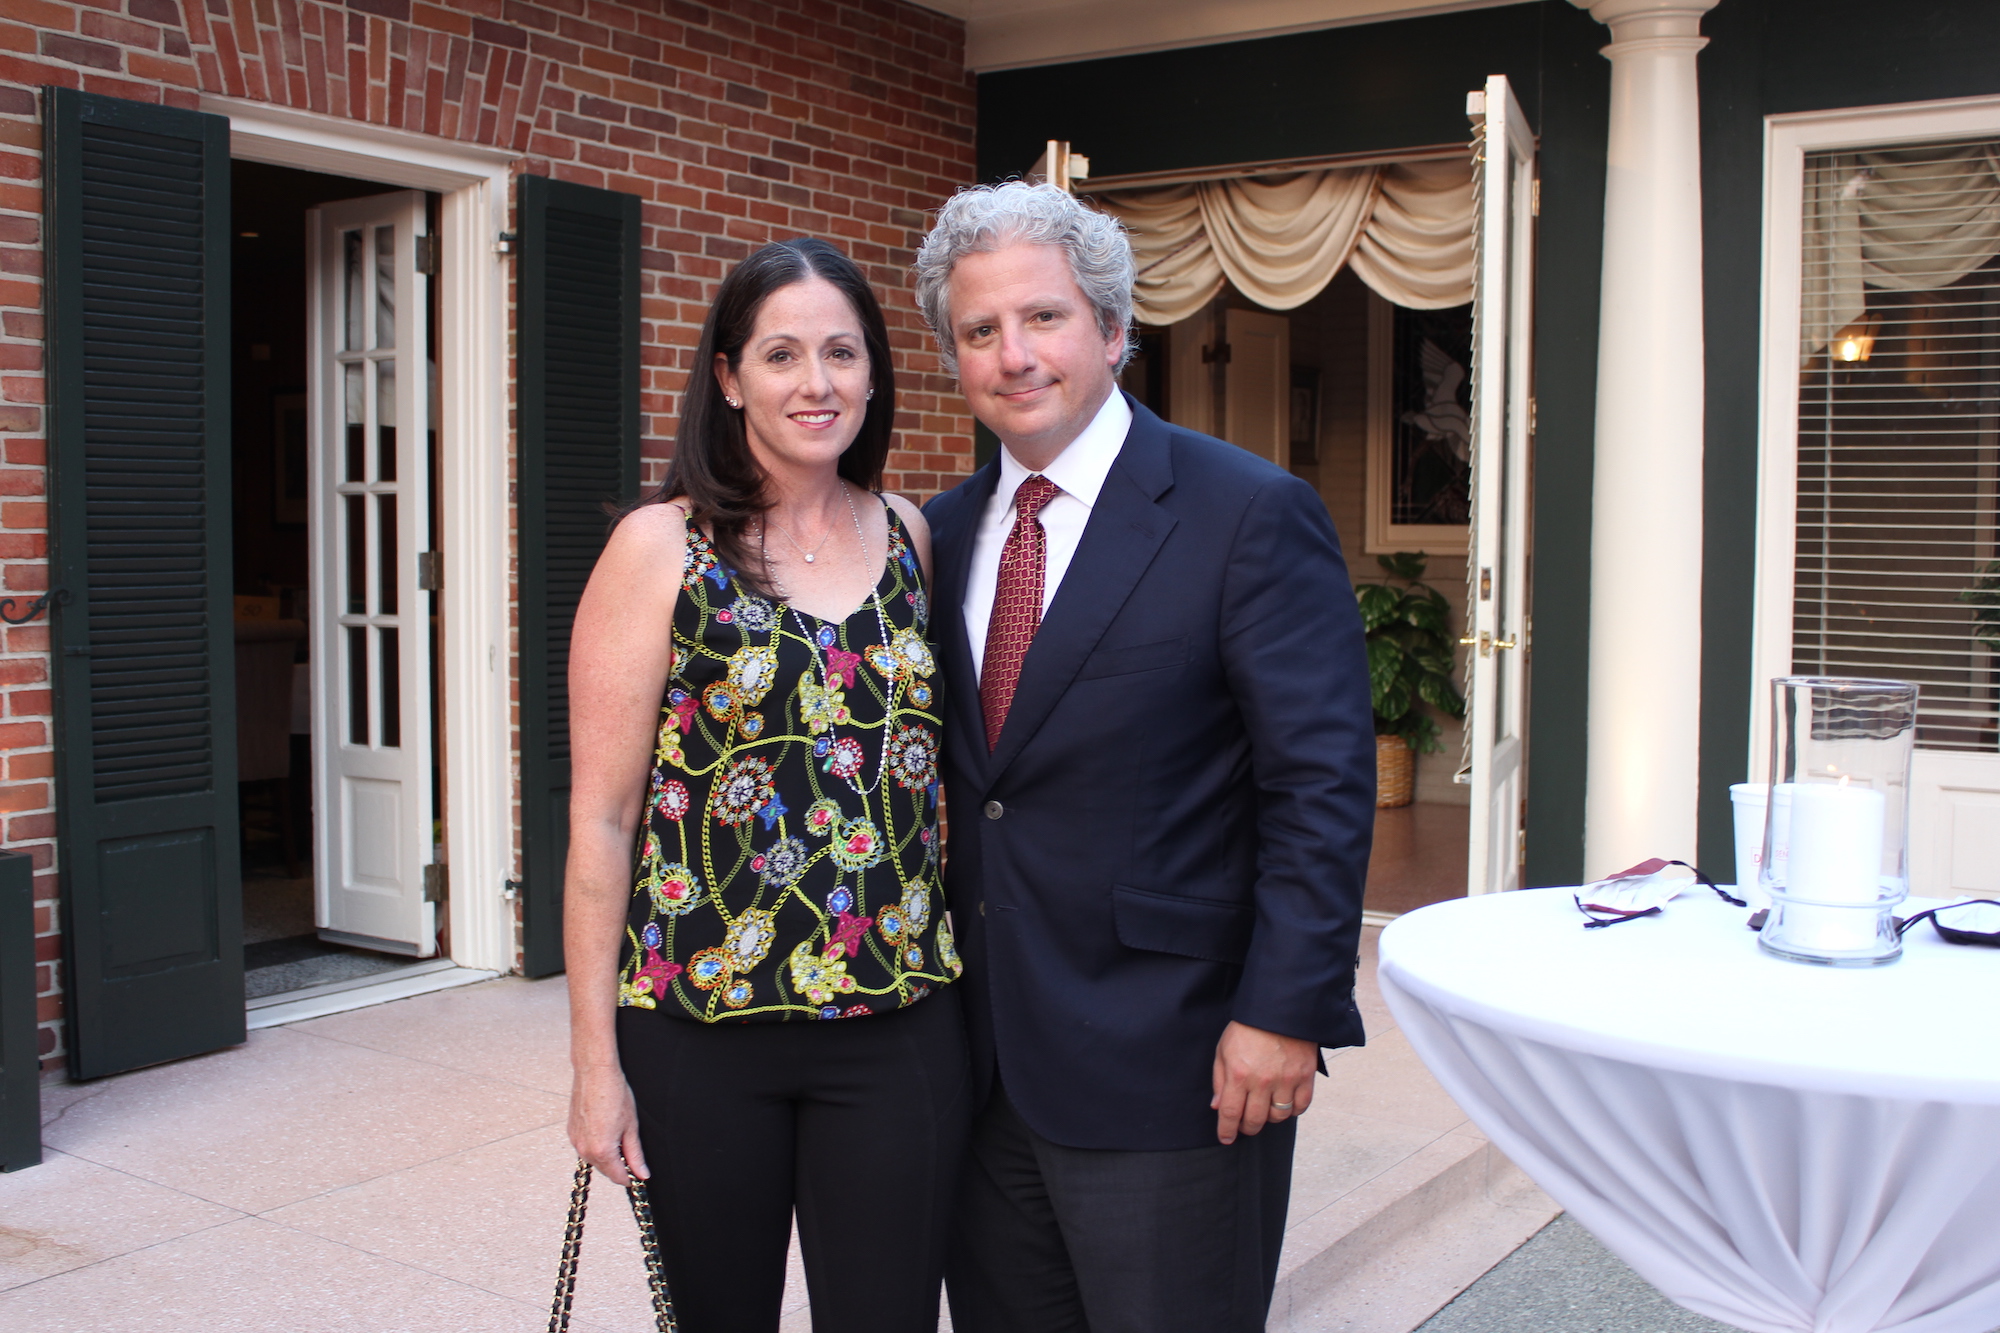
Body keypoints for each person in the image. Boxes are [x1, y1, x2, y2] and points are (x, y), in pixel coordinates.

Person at [914, 181, 1376, 1332]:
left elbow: (1317, 786)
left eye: (1043, 317)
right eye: (979, 330)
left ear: (1113, 329)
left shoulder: (1246, 513)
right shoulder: (934, 534)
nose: (1013, 355)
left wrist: (1284, 1011)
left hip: (1179, 1069)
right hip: (978, 1073)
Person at [563, 236, 967, 1333]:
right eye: (781, 354)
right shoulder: (661, 548)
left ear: (873, 373)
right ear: (730, 376)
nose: (815, 381)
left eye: (841, 351)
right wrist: (595, 1065)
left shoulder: (911, 538)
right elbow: (601, 820)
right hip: (700, 1030)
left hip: (897, 1021)